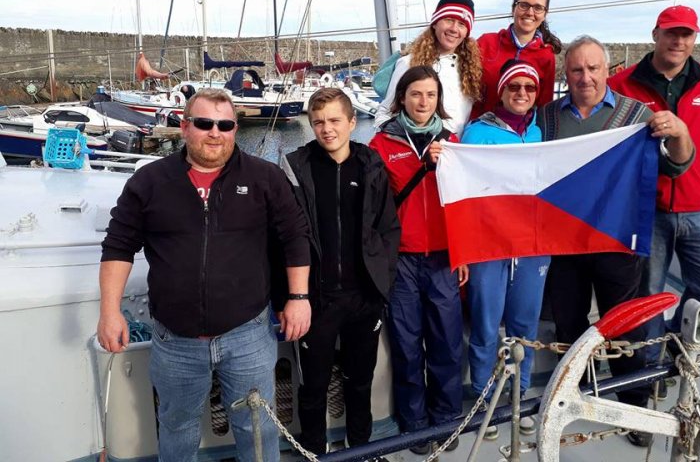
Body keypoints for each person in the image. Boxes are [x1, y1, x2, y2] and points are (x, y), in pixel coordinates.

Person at [97, 88, 312, 462]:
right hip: (175, 339)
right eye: (204, 123)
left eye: (225, 124)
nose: (215, 132)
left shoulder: (265, 178)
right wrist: (110, 311)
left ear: (234, 130)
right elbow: (119, 245)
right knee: (177, 428)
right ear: (184, 127)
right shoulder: (149, 182)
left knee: (256, 427)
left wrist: (298, 298)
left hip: (247, 334)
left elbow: (295, 237)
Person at [538, 35, 694, 448]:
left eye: (593, 68)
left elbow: (677, 165)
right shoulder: (548, 118)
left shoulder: (637, 115)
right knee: (568, 326)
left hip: (617, 242)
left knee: (624, 328)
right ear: (565, 74)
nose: (585, 77)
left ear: (607, 70)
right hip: (566, 245)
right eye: (576, 70)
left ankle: (633, 406)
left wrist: (678, 130)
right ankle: (574, 398)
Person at [608, 6, 700, 378]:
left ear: (694, 39)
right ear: (655, 34)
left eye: (686, 34)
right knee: (648, 299)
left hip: (698, 206)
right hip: (646, 211)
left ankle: (674, 338)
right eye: (671, 33)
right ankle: (650, 373)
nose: (678, 41)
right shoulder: (623, 84)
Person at [280, 88, 401, 458]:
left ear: (351, 122)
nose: (326, 129)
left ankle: (359, 449)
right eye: (318, 122)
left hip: (364, 298)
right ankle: (314, 452)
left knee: (359, 382)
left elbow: (388, 228)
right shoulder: (295, 168)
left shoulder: (372, 166)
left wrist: (382, 281)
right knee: (313, 387)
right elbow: (283, 235)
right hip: (315, 300)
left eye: (334, 121)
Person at [369, 65, 469, 455]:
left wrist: (463, 252)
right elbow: (374, 209)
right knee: (408, 346)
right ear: (402, 99)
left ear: (438, 100)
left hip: (444, 257)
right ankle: (414, 425)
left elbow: (463, 204)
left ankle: (445, 419)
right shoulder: (381, 144)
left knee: (446, 344)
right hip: (403, 261)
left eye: (430, 95)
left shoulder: (453, 141)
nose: (423, 102)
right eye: (415, 94)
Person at [461, 59, 550, 439]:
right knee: (485, 325)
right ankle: (485, 398)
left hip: (531, 245)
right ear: (502, 91)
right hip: (489, 245)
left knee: (524, 326)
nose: (522, 94)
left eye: (529, 89)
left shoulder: (539, 134)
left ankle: (520, 394)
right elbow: (463, 190)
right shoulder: (477, 134)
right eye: (515, 87)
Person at [374, 0, 483, 136]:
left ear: (467, 32)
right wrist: (396, 145)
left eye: (461, 24)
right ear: (435, 23)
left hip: (454, 153)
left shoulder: (470, 70)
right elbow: (385, 112)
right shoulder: (409, 63)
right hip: (418, 152)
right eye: (449, 20)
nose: (454, 29)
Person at [473, 0, 562, 117]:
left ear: (544, 14)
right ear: (513, 8)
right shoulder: (486, 43)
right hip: (478, 131)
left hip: (519, 134)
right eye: (524, 5)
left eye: (538, 7)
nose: (530, 12)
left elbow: (544, 106)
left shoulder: (546, 55)